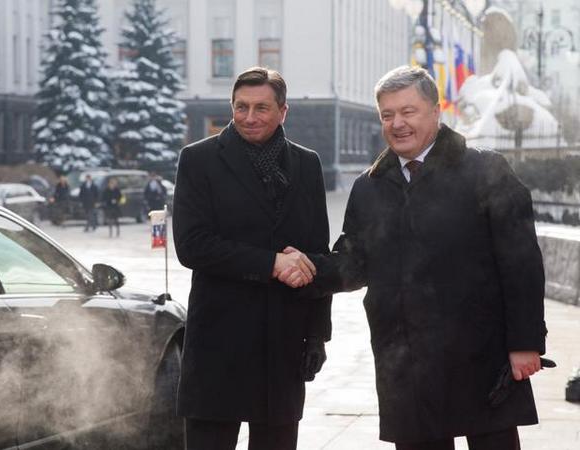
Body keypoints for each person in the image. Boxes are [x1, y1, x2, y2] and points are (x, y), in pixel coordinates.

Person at [279, 66, 546, 450]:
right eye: (387, 115)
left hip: (480, 354)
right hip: (405, 361)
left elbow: (521, 263)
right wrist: (306, 267)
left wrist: (525, 342)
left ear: (435, 112)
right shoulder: (369, 186)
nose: (397, 124)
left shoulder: (485, 171)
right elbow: (354, 263)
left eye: (408, 111)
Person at [173, 66, 332, 450]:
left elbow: (317, 255)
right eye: (240, 106)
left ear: (283, 111)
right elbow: (192, 245)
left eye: (261, 107)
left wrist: (317, 334)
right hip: (219, 342)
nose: (249, 117)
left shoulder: (307, 164)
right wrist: (270, 263)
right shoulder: (198, 159)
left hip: (283, 341)